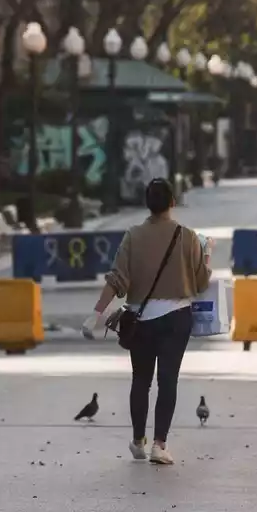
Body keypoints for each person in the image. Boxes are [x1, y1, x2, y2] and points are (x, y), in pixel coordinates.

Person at [88, 178, 211, 465]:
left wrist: (96, 313)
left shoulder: (133, 235)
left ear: (147, 204)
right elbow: (201, 281)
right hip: (176, 319)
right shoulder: (188, 236)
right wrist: (206, 255)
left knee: (140, 380)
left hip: (140, 321)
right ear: (172, 202)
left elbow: (117, 279)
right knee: (168, 381)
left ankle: (137, 440)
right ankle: (160, 444)